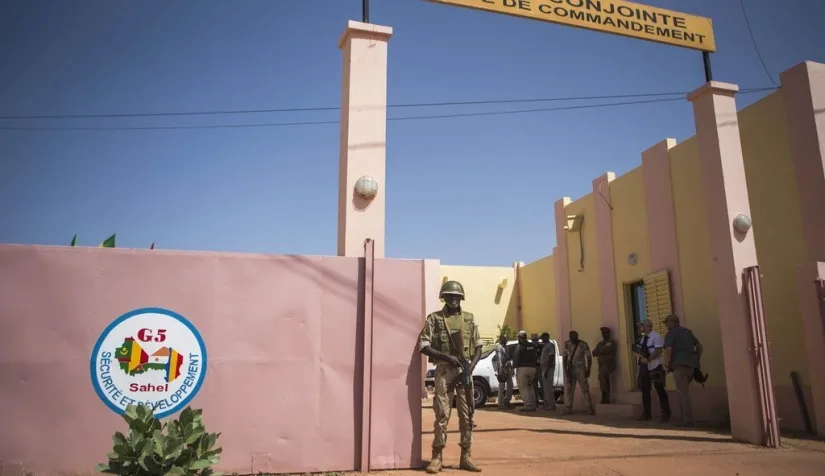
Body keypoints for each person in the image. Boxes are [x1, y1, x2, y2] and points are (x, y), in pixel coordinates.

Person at [418, 280, 482, 473]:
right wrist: (447, 358)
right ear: (443, 297)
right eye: (450, 295)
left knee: (467, 415)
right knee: (442, 414)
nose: (454, 298)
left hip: (465, 371)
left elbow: (478, 347)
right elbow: (423, 346)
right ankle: (437, 456)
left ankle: (466, 456)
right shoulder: (434, 319)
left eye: (457, 295)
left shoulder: (469, 319)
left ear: (461, 297)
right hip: (444, 371)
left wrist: (469, 369)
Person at [663, 314, 703, 428]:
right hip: (691, 366)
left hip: (679, 366)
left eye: (667, 323)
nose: (666, 325)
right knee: (683, 392)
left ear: (672, 323)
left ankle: (688, 420)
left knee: (683, 393)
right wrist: (696, 359)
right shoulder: (687, 332)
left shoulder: (670, 334)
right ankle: (683, 419)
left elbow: (668, 351)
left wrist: (666, 365)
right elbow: (699, 346)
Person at [633, 319, 670, 422]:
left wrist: (648, 359)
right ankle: (646, 413)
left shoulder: (655, 336)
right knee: (645, 390)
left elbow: (658, 351)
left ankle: (665, 413)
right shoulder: (642, 338)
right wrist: (637, 354)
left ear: (647, 326)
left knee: (659, 389)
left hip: (655, 365)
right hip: (644, 366)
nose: (640, 327)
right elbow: (637, 350)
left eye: (642, 325)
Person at [562, 330, 595, 415]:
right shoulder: (567, 344)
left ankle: (589, 408)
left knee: (585, 389)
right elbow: (564, 357)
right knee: (569, 389)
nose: (572, 339)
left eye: (574, 337)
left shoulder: (583, 344)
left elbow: (589, 357)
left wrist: (588, 369)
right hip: (570, 369)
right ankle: (568, 409)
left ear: (577, 337)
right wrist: (565, 369)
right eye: (571, 337)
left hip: (581, 369)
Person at [512, 330, 538, 412]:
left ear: (519, 338)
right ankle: (533, 405)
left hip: (523, 369)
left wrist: (513, 368)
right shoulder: (532, 345)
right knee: (530, 386)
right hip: (532, 369)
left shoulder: (519, 346)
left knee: (523, 387)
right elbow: (536, 356)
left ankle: (528, 405)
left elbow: (516, 358)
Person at [591, 326, 617, 404]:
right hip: (601, 364)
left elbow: (608, 352)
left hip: (608, 363)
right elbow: (594, 353)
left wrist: (601, 350)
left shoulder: (611, 342)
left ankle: (605, 397)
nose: (604, 335)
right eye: (603, 333)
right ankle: (605, 397)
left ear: (609, 334)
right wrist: (602, 350)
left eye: (605, 333)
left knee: (602, 377)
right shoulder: (601, 343)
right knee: (604, 379)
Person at [492, 334, 514, 409]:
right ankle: (500, 404)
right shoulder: (499, 347)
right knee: (502, 386)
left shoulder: (506, 347)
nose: (506, 339)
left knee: (510, 385)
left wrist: (511, 366)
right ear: (501, 339)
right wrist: (500, 370)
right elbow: (498, 359)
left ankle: (507, 401)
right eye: (504, 338)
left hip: (508, 368)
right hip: (502, 369)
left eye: (506, 338)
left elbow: (509, 357)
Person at [539, 332, 557, 410]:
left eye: (543, 337)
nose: (542, 339)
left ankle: (552, 404)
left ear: (547, 337)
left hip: (548, 369)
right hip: (544, 368)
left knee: (549, 387)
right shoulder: (545, 346)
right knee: (545, 387)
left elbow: (551, 357)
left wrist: (547, 369)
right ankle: (546, 403)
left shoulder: (550, 345)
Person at [531, 333, 544, 405]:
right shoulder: (530, 347)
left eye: (536, 340)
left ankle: (545, 400)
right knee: (534, 384)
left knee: (542, 384)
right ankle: (536, 400)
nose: (534, 341)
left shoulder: (541, 346)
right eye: (533, 340)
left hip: (539, 367)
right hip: (533, 367)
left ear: (538, 340)